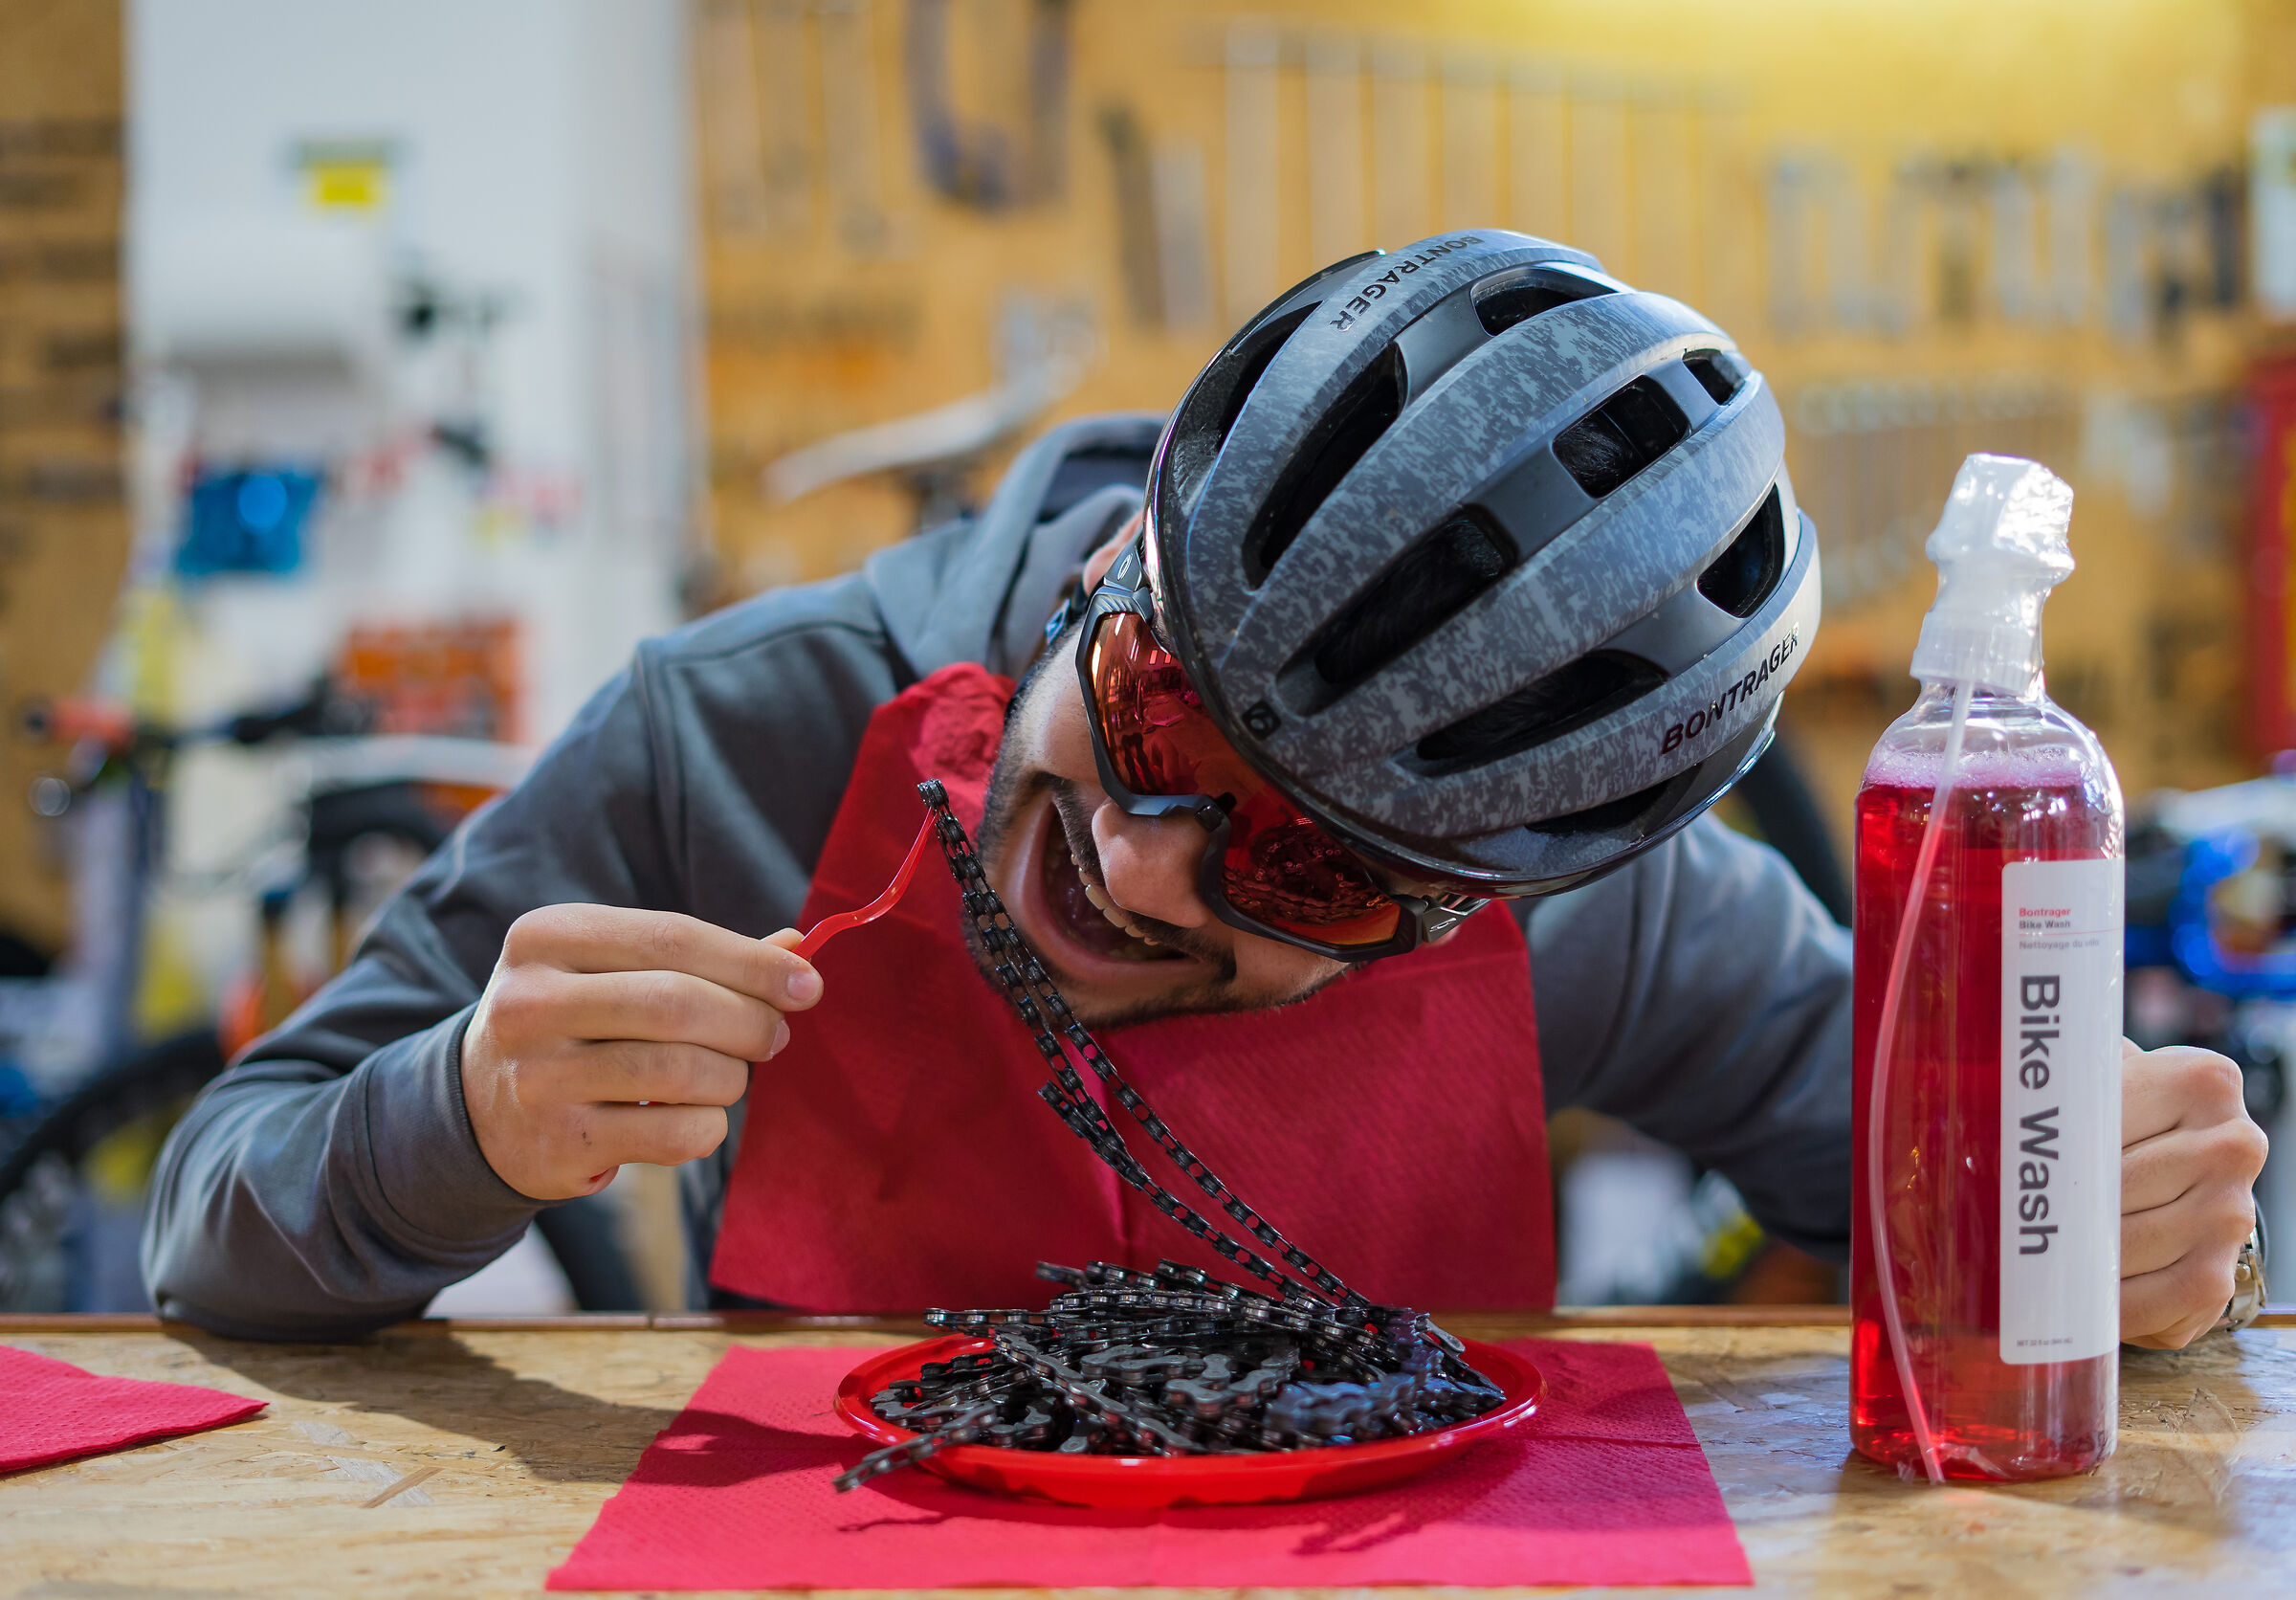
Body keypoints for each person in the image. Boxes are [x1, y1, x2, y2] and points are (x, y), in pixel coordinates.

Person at [144, 232, 2264, 1345]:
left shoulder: (1596, 897)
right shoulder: (736, 735)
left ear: (1472, 902)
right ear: (1115, 574)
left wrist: (2083, 1227)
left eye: (1306, 872)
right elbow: (208, 1230)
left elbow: (1942, 1199)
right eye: (1153, 720)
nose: (1145, 863)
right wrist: (461, 1118)